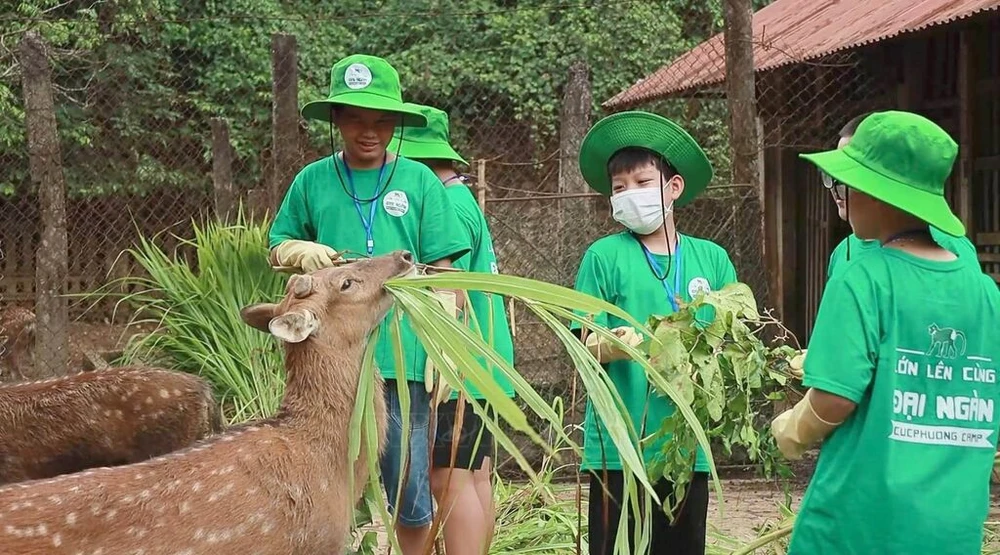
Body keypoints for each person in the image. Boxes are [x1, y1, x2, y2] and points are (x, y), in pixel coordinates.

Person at [267, 54, 471, 555]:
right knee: (324, 484)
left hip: (404, 361)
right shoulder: (312, 180)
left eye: (381, 120)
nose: (368, 131)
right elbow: (277, 245)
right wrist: (296, 250)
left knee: (409, 489)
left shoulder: (420, 182)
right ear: (336, 119)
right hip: (332, 368)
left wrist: (447, 342)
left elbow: (447, 272)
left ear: (397, 123)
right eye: (356, 118)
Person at [771, 111, 1000, 554]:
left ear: (876, 193)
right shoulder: (986, 292)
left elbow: (835, 397)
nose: (840, 194)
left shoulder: (863, 278)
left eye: (847, 183)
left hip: (861, 524)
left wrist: (792, 430)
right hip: (952, 525)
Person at [571, 111, 739, 555]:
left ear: (674, 187)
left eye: (643, 182)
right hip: (618, 447)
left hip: (686, 447)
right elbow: (581, 340)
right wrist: (610, 344)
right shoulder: (602, 257)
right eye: (620, 188)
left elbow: (732, 342)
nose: (630, 195)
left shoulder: (713, 260)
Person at [387, 102, 516, 555]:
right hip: (484, 362)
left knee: (447, 477)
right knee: (473, 474)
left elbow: (447, 290)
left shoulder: (446, 203)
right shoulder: (462, 197)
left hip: (457, 363)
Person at [825, 111, 980, 278]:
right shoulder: (842, 252)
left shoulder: (953, 246)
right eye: (835, 175)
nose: (836, 187)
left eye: (851, 176)